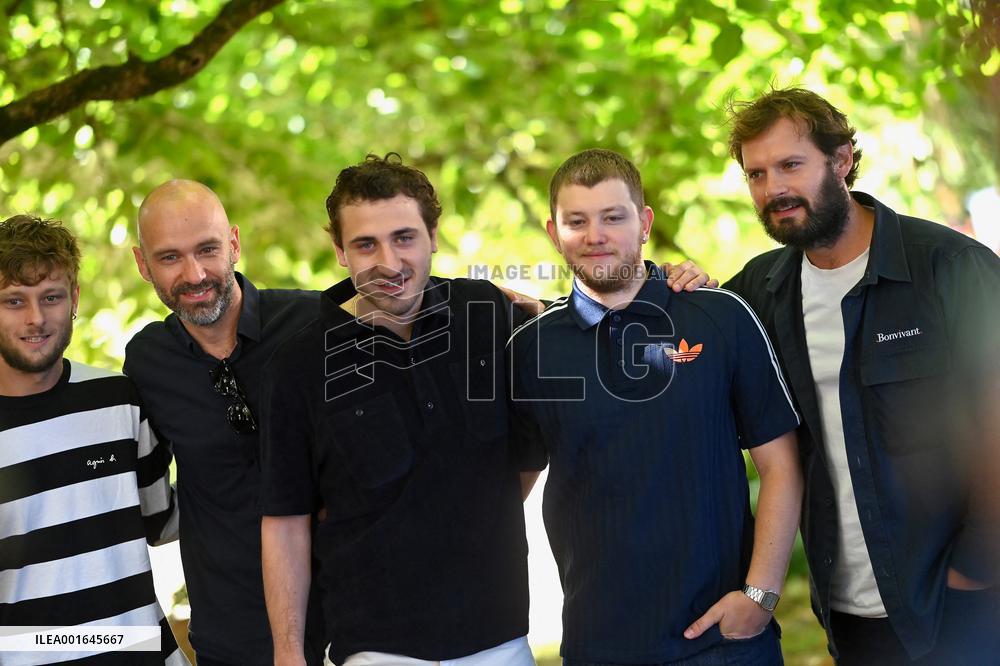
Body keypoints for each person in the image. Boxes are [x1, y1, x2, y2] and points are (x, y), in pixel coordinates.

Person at [723, 87, 1000, 664]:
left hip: (964, 608)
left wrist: (976, 571)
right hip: (849, 619)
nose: (773, 189)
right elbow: (675, 348)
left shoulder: (949, 269)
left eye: (790, 165)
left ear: (842, 159)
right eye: (756, 174)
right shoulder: (758, 293)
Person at [508, 149, 804, 665]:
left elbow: (781, 466)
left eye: (613, 217)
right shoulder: (532, 349)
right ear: (554, 234)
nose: (595, 234)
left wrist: (759, 597)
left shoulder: (721, 316)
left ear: (644, 223)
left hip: (725, 642)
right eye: (577, 221)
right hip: (599, 645)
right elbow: (503, 491)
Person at [124, 181, 326, 666]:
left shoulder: (312, 323)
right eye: (170, 257)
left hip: (349, 627)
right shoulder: (147, 360)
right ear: (142, 264)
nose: (195, 274)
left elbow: (410, 311)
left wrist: (497, 301)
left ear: (234, 243)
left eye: (208, 249)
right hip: (227, 636)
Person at [0, 214, 185, 665]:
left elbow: (165, 521)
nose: (36, 318)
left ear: (75, 299)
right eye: (13, 301)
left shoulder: (118, 399)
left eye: (51, 297)